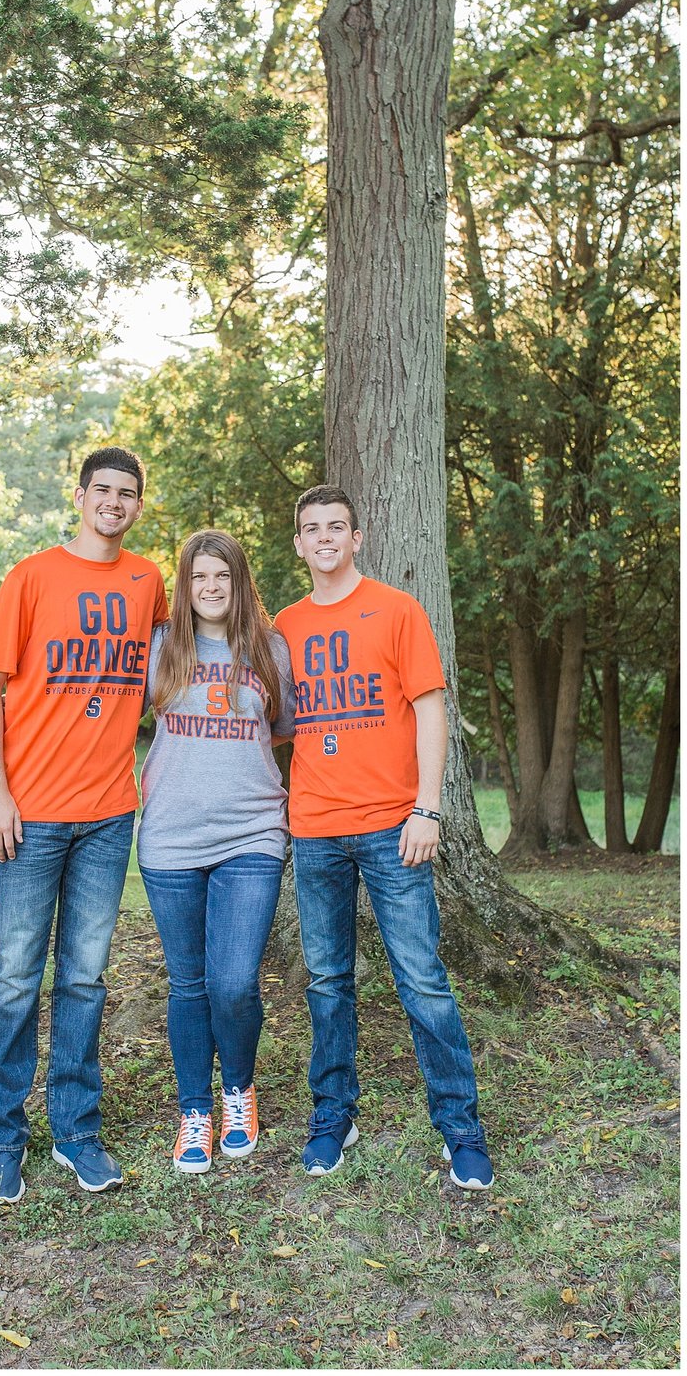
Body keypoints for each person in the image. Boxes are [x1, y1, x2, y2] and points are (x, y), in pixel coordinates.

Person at [274, 484, 493, 1190]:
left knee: (422, 978)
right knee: (329, 980)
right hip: (315, 831)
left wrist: (427, 809)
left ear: (358, 537)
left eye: (337, 526)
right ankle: (334, 1115)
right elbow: (272, 722)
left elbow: (431, 710)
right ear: (300, 543)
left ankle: (460, 1127)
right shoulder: (284, 626)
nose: (326, 538)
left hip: (393, 827)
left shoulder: (398, 610)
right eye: (313, 528)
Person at [0, 446, 168, 1203]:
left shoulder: (148, 581)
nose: (114, 503)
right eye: (103, 490)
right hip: (31, 813)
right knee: (16, 976)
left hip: (109, 815)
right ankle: (1, 1138)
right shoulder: (31, 576)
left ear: (137, 505)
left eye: (128, 493)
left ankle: (76, 1130)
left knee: (84, 978)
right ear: (80, 497)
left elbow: (169, 667)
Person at [137, 530, 295, 1174]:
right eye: (199, 577)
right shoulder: (160, 650)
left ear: (239, 583)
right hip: (170, 839)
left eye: (222, 577)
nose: (210, 588)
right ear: (186, 584)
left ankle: (239, 1092)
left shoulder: (270, 650)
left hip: (253, 835)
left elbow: (282, 732)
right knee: (189, 983)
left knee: (233, 983)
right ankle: (194, 1110)